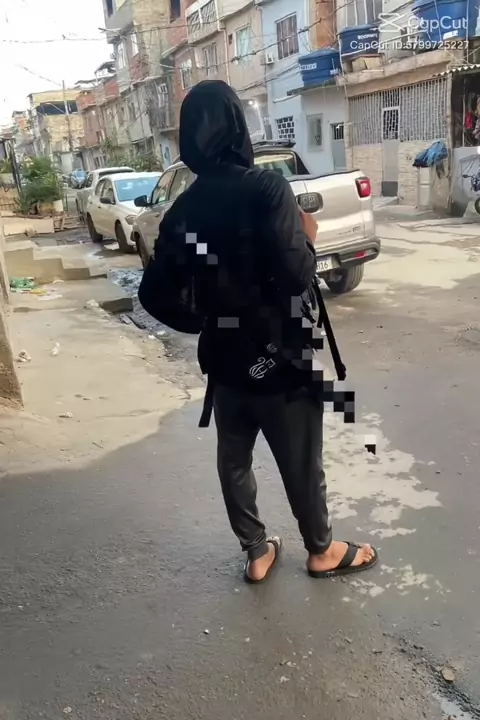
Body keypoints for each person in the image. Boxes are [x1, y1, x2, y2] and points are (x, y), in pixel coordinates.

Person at [150, 80, 378, 584]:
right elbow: (296, 276)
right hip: (282, 358)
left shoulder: (183, 210)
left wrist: (206, 321)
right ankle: (321, 551)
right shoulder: (267, 189)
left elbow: (154, 294)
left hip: (225, 360)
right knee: (301, 461)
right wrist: (309, 238)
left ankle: (256, 552)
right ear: (238, 126)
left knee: (234, 459)